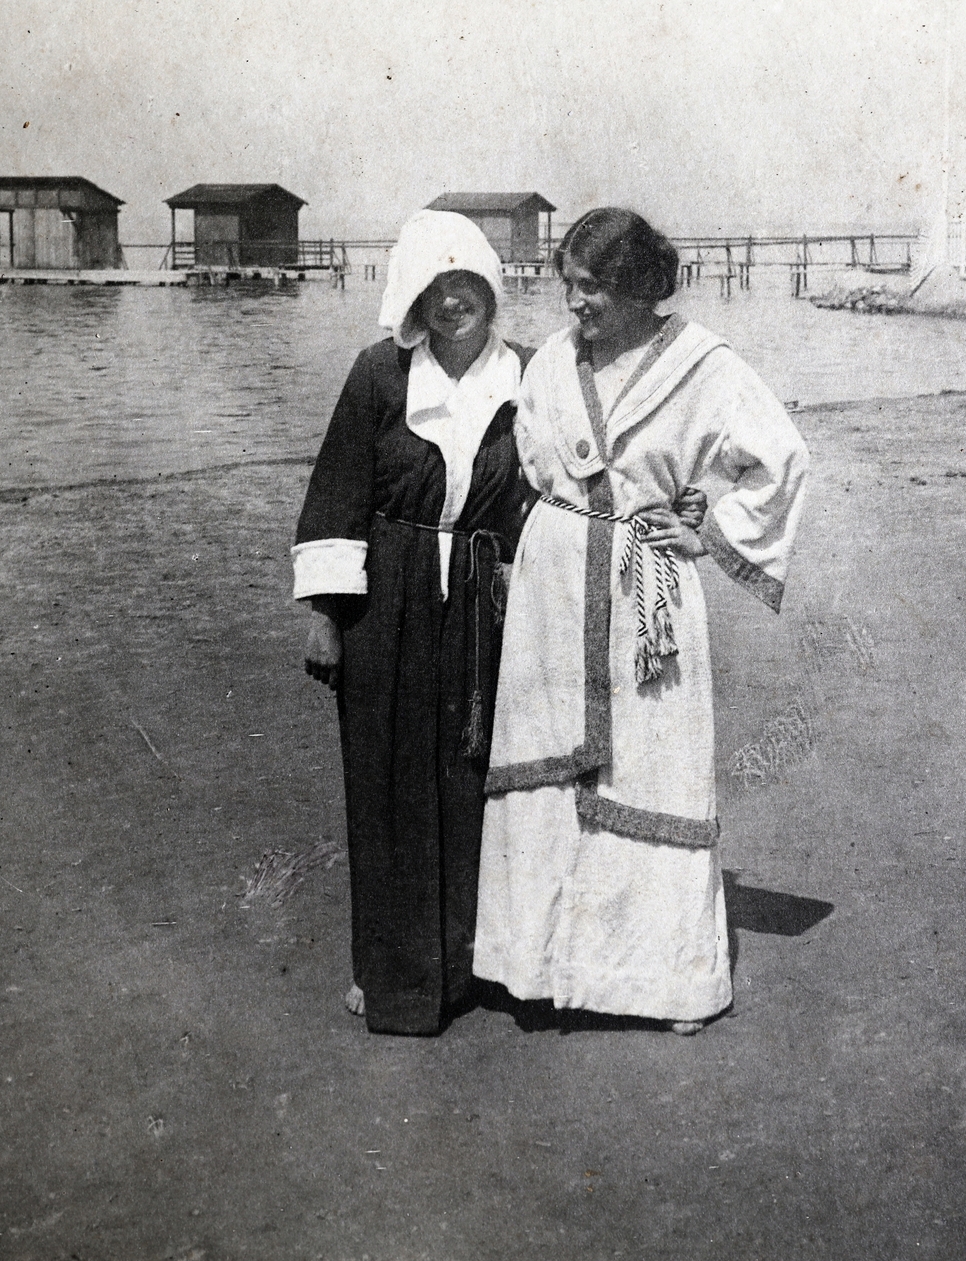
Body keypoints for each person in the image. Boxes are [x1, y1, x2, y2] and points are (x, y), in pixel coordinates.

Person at [473, 208, 810, 1035]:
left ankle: (663, 981)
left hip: (645, 584)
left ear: (634, 288)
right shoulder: (552, 361)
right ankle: (540, 966)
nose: (574, 304)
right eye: (568, 286)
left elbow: (783, 457)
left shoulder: (704, 366)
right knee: (547, 765)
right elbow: (515, 459)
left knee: (653, 763)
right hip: (554, 583)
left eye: (590, 288)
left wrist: (710, 530)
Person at [292, 210, 530, 1035]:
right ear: (415, 298)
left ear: (492, 290)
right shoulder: (378, 375)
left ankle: (467, 968)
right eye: (436, 286)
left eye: (467, 284)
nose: (452, 300)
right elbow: (336, 493)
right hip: (385, 596)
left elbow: (560, 486)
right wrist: (325, 616)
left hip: (479, 600)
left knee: (473, 777)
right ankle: (388, 972)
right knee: (386, 778)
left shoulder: (529, 378)